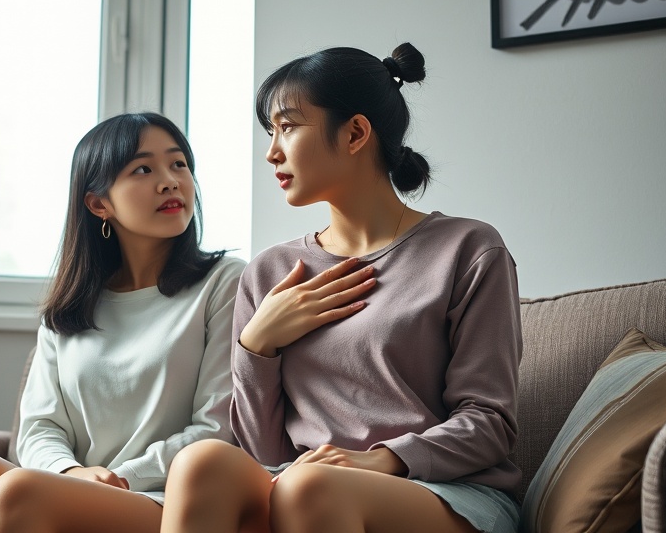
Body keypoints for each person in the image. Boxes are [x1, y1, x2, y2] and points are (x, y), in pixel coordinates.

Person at [160, 44, 523, 533]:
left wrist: (381, 460)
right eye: (270, 132)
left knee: (306, 488)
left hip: (448, 494)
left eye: (287, 127)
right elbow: (265, 453)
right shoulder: (270, 273)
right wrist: (256, 346)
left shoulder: (468, 249)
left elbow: (490, 423)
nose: (272, 151)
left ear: (355, 133)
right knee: (200, 462)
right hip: (303, 486)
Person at [0, 112, 245, 533]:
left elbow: (217, 427)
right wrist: (70, 474)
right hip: (74, 486)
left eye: (179, 164)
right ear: (98, 203)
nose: (170, 181)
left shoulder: (225, 282)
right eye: (143, 168)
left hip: (166, 500)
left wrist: (121, 478)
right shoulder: (71, 306)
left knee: (20, 492)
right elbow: (39, 427)